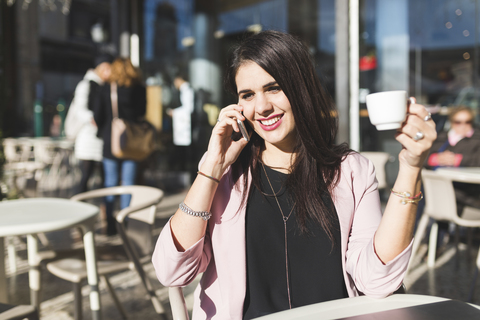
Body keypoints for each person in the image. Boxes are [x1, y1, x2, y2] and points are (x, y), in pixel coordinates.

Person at [152, 30, 436, 319]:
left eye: (274, 88)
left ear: (301, 88)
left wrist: (411, 168)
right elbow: (171, 271)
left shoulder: (350, 170)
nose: (261, 107)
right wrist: (212, 167)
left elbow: (378, 281)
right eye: (247, 95)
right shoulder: (224, 176)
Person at [92, 57, 146, 235]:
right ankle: (125, 224)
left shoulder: (105, 88)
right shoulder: (139, 88)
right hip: (132, 142)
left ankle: (110, 225)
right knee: (128, 185)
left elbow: (98, 116)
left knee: (110, 183)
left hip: (111, 141)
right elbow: (142, 113)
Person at [65, 54, 113, 194]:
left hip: (103, 137)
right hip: (87, 137)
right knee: (86, 176)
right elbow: (80, 109)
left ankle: (105, 211)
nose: (107, 73)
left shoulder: (107, 86)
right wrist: (94, 119)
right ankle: (81, 208)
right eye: (105, 69)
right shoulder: (86, 84)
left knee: (105, 179)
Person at [425, 106, 480, 211]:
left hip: (466, 189)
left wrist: (458, 159)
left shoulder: (477, 138)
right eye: (458, 122)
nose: (463, 126)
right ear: (451, 122)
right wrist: (436, 158)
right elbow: (423, 157)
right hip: (438, 187)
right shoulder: (441, 137)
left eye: (467, 122)